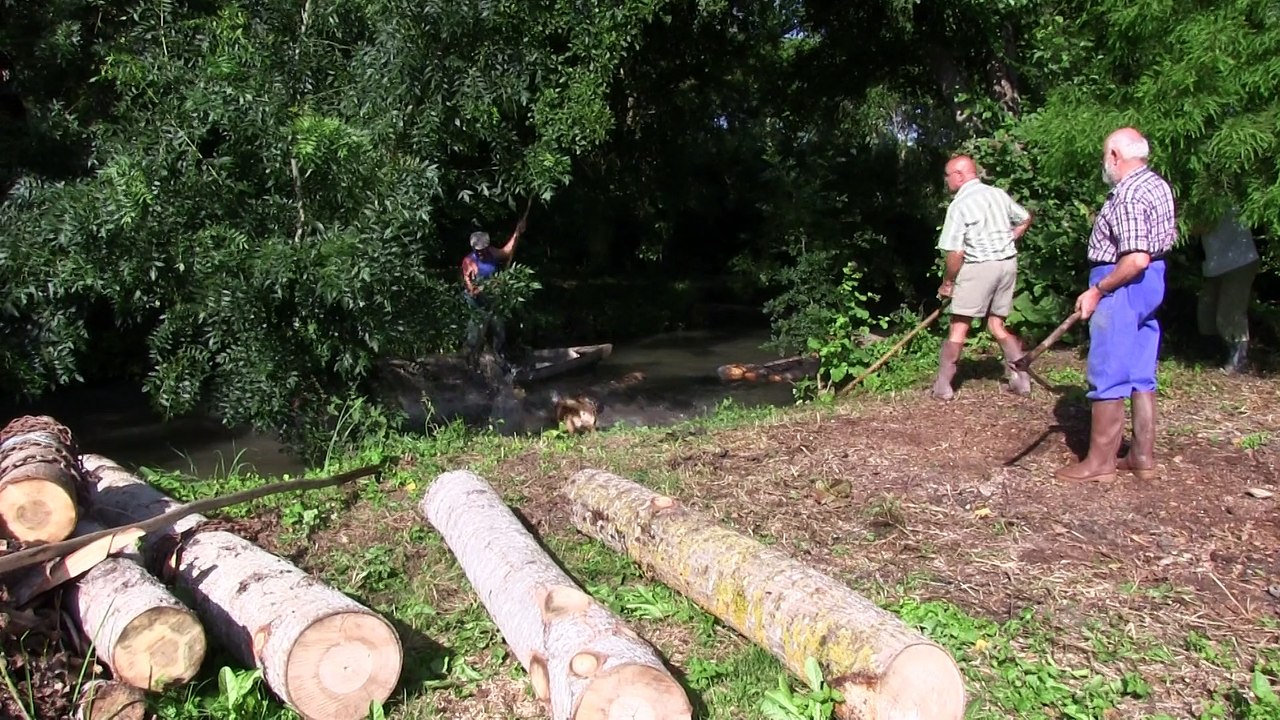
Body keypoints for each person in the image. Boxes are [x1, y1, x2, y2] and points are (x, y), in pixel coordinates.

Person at [1057, 127, 1176, 483]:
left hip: (1122, 281)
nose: (1104, 163)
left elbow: (1135, 258)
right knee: (1140, 367)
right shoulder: (1157, 184)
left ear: (1115, 156)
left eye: (1104, 155)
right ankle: (1141, 456)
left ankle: (1100, 463)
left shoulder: (1127, 193)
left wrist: (1098, 290)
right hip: (1152, 283)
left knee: (1108, 367)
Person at [930, 155, 1035, 400]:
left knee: (958, 327)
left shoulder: (960, 204)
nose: (946, 181)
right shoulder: (997, 194)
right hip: (1007, 265)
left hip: (979, 267)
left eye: (947, 176)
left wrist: (948, 282)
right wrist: (1010, 237)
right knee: (996, 325)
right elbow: (1025, 217)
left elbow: (956, 252)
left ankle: (943, 387)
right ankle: (1022, 380)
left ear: (959, 175)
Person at [1197, 206, 1259, 374]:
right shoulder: (1202, 200)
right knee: (1206, 313)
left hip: (1239, 262)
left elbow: (1201, 226)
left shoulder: (1219, 200)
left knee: (1230, 313)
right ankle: (1214, 356)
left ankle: (1238, 361)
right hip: (1214, 265)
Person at [461, 215, 526, 373]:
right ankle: (470, 362)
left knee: (499, 328)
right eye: (478, 251)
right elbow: (472, 290)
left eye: (483, 250)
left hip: (493, 299)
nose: (481, 253)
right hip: (477, 303)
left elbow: (506, 252)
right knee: (475, 332)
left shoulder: (491, 253)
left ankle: (500, 358)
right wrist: (490, 286)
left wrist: (517, 233)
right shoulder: (469, 262)